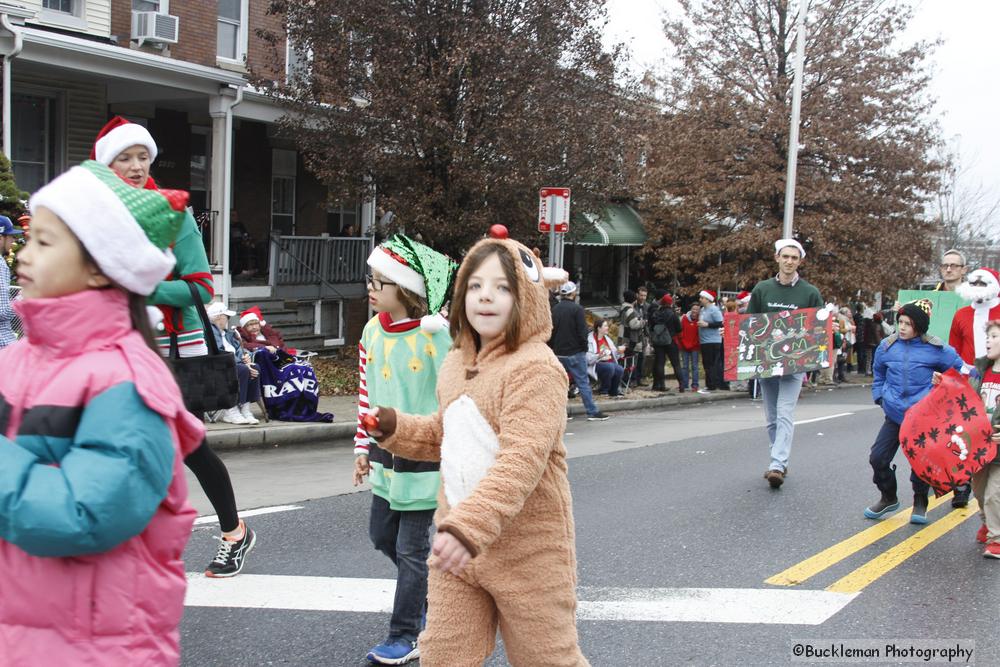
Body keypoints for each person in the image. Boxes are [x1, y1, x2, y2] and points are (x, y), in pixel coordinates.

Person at [1, 162, 203, 663]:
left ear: (99, 266)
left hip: (97, 646)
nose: (23, 254)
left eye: (46, 243)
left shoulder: (129, 381)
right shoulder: (15, 360)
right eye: (28, 237)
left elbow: (82, 514)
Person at [364, 227, 589, 666]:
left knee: (547, 660)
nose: (486, 297)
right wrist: (393, 428)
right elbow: (447, 437)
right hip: (458, 551)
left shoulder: (536, 369)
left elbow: (520, 460)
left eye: (503, 287)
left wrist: (468, 528)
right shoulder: (456, 362)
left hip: (528, 551)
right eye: (476, 285)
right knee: (444, 656)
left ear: (526, 297)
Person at [92, 115, 255, 577]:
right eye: (125, 157)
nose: (136, 164)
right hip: (115, 345)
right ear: (107, 164)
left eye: (142, 155)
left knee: (185, 446)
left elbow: (202, 288)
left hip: (172, 349)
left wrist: (142, 287)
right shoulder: (94, 218)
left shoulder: (173, 212)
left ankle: (233, 532)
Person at [352, 234, 456, 665]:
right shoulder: (372, 330)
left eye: (381, 281)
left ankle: (405, 633)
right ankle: (435, 595)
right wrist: (361, 445)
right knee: (381, 536)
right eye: (371, 280)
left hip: (426, 453)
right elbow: (364, 390)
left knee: (413, 549)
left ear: (408, 290)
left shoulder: (436, 336)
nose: (371, 288)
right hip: (384, 454)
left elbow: (456, 393)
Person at [864, 300, 963, 522]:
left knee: (921, 462)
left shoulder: (936, 349)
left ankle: (920, 502)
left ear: (918, 326)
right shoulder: (886, 346)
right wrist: (880, 396)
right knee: (878, 457)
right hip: (894, 415)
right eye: (900, 322)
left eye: (908, 324)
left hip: (922, 417)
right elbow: (878, 373)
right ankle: (888, 497)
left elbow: (960, 370)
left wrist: (943, 383)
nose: (902, 328)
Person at [747, 238, 823, 489]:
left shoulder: (810, 292)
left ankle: (777, 464)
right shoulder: (762, 289)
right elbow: (751, 323)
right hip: (767, 362)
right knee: (771, 417)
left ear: (800, 261)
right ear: (777, 258)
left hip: (795, 363)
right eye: (785, 256)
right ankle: (776, 459)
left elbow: (819, 328)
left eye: (794, 257)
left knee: (785, 412)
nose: (789, 261)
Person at [956, 319, 1000, 558]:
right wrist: (944, 384)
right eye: (988, 337)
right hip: (980, 446)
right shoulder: (980, 370)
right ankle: (988, 523)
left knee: (995, 494)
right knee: (980, 492)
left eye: (994, 336)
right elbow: (964, 397)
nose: (988, 341)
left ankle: (997, 539)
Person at [551, 281, 609, 421]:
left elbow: (551, 331)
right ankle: (592, 411)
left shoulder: (555, 309)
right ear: (573, 293)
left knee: (559, 384)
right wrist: (584, 347)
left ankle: (561, 412)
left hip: (558, 352)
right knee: (583, 382)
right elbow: (582, 332)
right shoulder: (577, 309)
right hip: (575, 352)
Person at [207, 301, 261, 425]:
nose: (228, 319)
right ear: (219, 317)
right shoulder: (211, 333)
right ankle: (231, 409)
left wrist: (246, 357)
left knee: (255, 367)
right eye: (227, 316)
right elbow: (219, 352)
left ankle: (245, 409)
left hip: (233, 365)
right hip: (218, 368)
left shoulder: (227, 334)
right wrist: (242, 363)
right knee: (243, 369)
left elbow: (238, 349)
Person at [650, 293, 683, 392]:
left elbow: (651, 327)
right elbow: (679, 328)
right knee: (676, 363)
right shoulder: (673, 314)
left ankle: (662, 385)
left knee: (660, 363)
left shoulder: (656, 314)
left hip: (658, 341)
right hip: (671, 341)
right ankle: (681, 385)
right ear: (670, 303)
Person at [0, 215, 24, 348]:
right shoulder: (0, 264)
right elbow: (2, 312)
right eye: (10, 236)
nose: (13, 240)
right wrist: (23, 297)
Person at [587, 317, 624, 396]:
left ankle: (613, 391)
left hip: (608, 362)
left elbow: (614, 355)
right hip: (595, 363)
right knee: (609, 367)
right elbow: (588, 358)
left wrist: (619, 352)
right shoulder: (590, 339)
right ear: (599, 328)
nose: (608, 328)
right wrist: (598, 355)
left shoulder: (607, 339)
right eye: (605, 326)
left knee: (619, 369)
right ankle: (604, 390)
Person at [697, 289, 724, 393]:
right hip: (704, 340)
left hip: (713, 340)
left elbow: (721, 323)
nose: (700, 300)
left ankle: (712, 385)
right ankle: (709, 384)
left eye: (702, 298)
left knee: (710, 364)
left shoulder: (714, 310)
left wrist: (707, 324)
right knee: (706, 363)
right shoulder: (703, 309)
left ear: (708, 299)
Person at [619, 288, 647, 387]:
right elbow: (634, 325)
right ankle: (629, 380)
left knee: (626, 359)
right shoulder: (629, 309)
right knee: (631, 360)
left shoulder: (623, 308)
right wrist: (643, 322)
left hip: (623, 336)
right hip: (630, 337)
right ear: (634, 299)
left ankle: (628, 380)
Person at [677, 302, 701, 392]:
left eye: (697, 309)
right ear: (691, 309)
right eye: (694, 309)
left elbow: (700, 334)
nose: (695, 311)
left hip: (695, 346)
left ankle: (695, 385)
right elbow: (680, 332)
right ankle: (685, 384)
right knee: (685, 366)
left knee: (695, 366)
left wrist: (696, 343)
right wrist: (682, 342)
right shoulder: (684, 319)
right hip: (684, 346)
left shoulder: (700, 320)